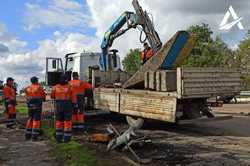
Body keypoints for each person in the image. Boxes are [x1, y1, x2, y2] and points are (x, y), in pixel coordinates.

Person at [51, 74, 72, 143]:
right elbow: (73, 97)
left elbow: (52, 96)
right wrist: (75, 105)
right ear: (66, 80)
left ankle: (58, 138)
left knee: (59, 122)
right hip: (67, 105)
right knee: (67, 122)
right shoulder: (69, 87)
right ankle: (67, 139)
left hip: (58, 106)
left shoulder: (55, 87)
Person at [24, 76, 46, 141]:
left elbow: (27, 96)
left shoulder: (27, 88)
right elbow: (43, 96)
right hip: (37, 106)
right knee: (36, 120)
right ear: (36, 81)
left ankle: (27, 135)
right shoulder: (39, 87)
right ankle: (34, 136)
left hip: (30, 106)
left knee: (30, 119)